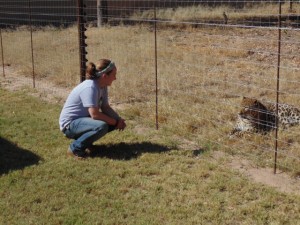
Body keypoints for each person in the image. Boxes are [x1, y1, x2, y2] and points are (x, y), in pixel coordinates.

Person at [59, 59, 126, 159]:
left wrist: (118, 119)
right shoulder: (90, 87)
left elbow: (105, 107)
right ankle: (74, 149)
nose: (115, 78)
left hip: (82, 121)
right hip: (69, 125)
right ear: (105, 76)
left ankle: (86, 144)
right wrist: (115, 123)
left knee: (109, 122)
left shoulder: (102, 86)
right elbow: (95, 114)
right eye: (114, 74)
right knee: (102, 126)